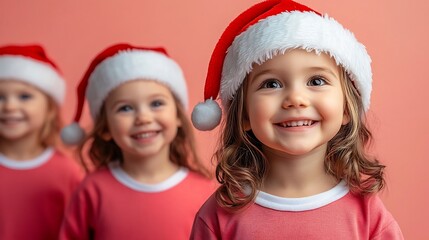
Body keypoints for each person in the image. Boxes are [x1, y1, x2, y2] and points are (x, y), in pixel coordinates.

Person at [190, 0, 404, 239]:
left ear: (346, 108)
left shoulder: (369, 216)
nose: (295, 99)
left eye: (316, 81)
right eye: (271, 84)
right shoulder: (218, 216)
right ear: (244, 114)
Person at [59, 43, 214, 240]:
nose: (143, 118)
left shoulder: (204, 191)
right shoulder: (92, 190)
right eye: (125, 108)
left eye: (156, 103)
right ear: (106, 128)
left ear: (177, 117)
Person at [0, 44, 83, 240]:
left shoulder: (67, 172)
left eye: (24, 96)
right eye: (0, 97)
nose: (10, 106)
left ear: (50, 109)